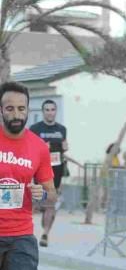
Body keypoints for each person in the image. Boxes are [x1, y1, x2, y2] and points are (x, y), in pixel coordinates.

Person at [0, 81, 58, 270]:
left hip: (20, 233)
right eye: (9, 108)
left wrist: (41, 193)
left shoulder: (38, 146)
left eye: (21, 108)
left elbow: (51, 196)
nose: (16, 114)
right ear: (1, 110)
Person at [29, 99, 67, 248]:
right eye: (47, 110)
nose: (50, 112)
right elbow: (28, 149)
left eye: (52, 109)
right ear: (43, 111)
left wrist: (65, 147)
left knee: (51, 202)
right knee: (36, 202)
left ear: (55, 111)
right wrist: (41, 148)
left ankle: (45, 233)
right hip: (38, 170)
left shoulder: (62, 129)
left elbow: (63, 147)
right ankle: (27, 230)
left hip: (56, 170)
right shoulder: (35, 128)